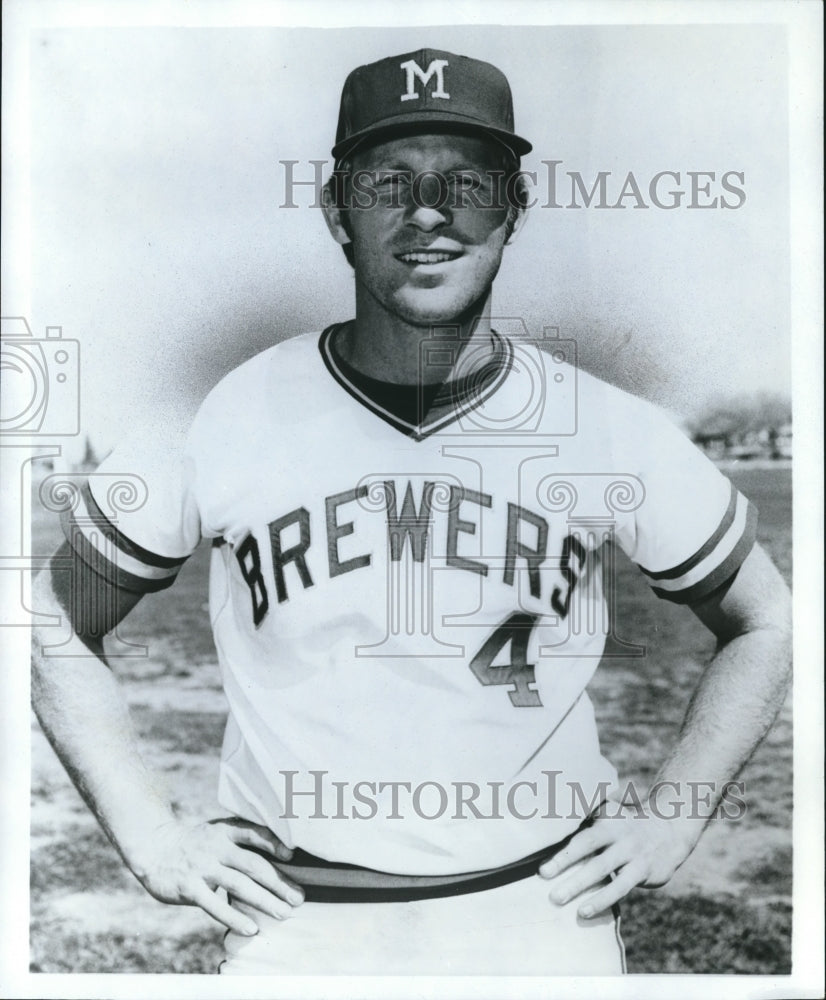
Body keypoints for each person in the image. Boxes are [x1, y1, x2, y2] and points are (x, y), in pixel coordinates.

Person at [31, 48, 792, 976]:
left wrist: (672, 820)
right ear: (335, 209)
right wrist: (152, 835)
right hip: (297, 923)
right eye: (389, 181)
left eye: (465, 183)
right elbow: (52, 621)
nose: (427, 213)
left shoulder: (605, 427)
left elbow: (766, 620)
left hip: (541, 913)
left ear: (514, 208)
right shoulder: (223, 413)